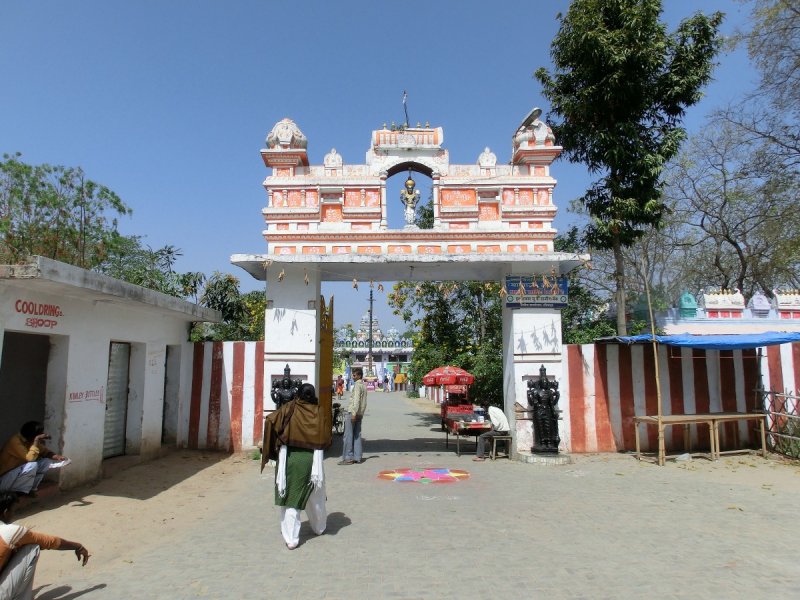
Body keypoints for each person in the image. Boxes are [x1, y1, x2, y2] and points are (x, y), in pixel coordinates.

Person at [261, 383, 331, 550]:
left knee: (291, 499)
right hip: (311, 461)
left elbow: (270, 420)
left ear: (298, 394)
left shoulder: (289, 408)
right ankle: (319, 528)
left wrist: (272, 447)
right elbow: (326, 437)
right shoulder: (319, 411)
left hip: (289, 458)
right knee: (315, 497)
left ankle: (291, 538)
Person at [0, 492, 90, 598]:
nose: (13, 514)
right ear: (5, 513)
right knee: (32, 548)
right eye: (13, 511)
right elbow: (50, 541)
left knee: (14, 547)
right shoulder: (11, 531)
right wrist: (78, 546)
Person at [0, 422, 69, 497]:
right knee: (32, 465)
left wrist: (58, 457)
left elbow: (45, 452)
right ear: (32, 435)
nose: (42, 435)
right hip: (4, 479)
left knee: (46, 462)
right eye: (39, 434)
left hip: (15, 476)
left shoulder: (30, 441)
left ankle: (30, 489)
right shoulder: (15, 441)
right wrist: (36, 440)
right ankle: (20, 491)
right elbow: (30, 459)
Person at [339, 367, 367, 465]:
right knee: (357, 435)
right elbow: (364, 403)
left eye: (354, 375)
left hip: (353, 413)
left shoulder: (357, 385)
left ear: (359, 375)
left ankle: (348, 458)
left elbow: (357, 401)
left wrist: (354, 414)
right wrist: (360, 413)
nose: (353, 377)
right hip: (359, 413)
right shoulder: (364, 386)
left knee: (348, 435)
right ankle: (357, 457)